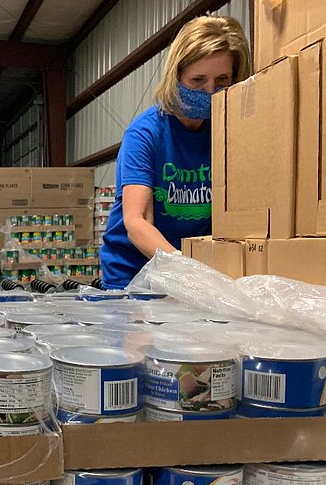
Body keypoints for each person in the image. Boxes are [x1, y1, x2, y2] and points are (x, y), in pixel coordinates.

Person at [99, 16, 250, 290]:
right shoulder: (145, 134)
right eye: (197, 80)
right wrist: (185, 270)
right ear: (176, 76)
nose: (209, 91)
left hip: (198, 273)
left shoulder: (230, 133)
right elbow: (137, 222)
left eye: (222, 80)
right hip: (136, 274)